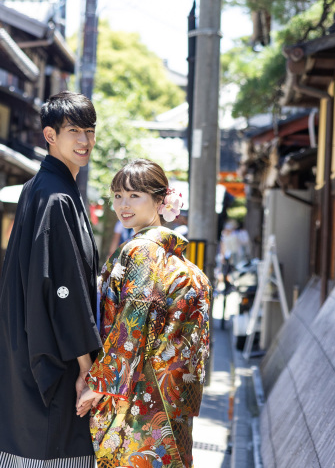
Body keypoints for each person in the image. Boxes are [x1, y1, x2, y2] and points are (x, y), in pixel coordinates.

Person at [0, 92, 102, 468]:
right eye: (74, 130)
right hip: (54, 354)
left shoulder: (39, 188)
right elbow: (64, 288)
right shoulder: (58, 198)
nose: (85, 140)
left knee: (16, 444)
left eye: (90, 131)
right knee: (50, 447)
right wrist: (86, 366)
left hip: (24, 344)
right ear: (50, 135)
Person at [76, 159, 212, 468]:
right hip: (171, 397)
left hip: (140, 396)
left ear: (161, 200)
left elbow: (133, 322)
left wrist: (98, 384)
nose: (123, 205)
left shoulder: (141, 250)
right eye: (118, 195)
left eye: (134, 195)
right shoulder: (173, 257)